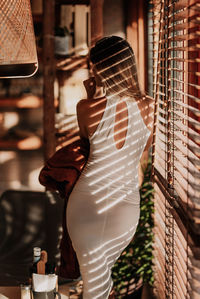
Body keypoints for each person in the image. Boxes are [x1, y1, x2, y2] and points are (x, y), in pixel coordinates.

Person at [66, 36, 153, 299]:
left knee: (94, 285)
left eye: (94, 68)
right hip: (125, 210)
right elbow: (144, 149)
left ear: (101, 70)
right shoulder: (150, 107)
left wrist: (92, 96)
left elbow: (86, 142)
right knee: (99, 284)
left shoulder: (86, 108)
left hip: (85, 205)